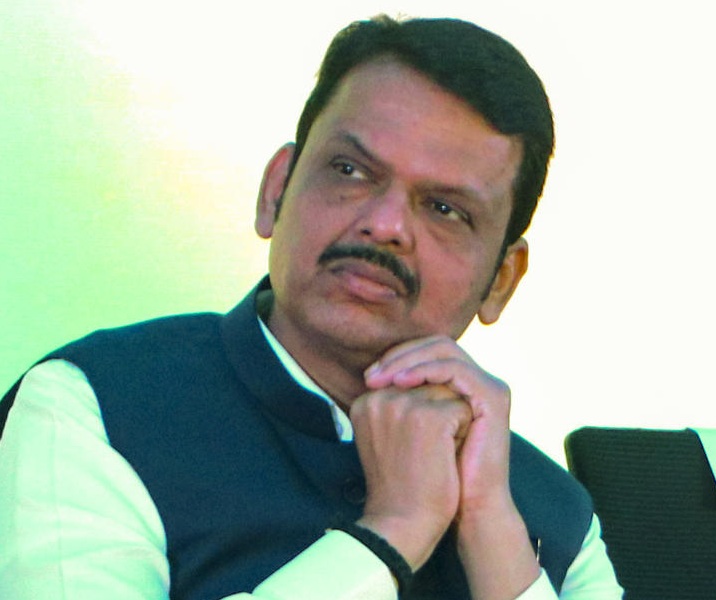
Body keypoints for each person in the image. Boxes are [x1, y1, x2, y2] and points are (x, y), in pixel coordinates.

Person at [0, 15, 623, 600]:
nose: (384, 225)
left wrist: (493, 530)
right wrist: (394, 530)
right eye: (350, 170)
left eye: (444, 209)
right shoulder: (96, 408)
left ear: (501, 280)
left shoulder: (554, 513)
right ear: (276, 190)